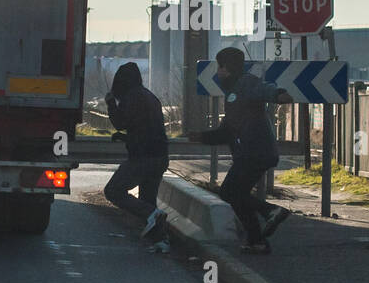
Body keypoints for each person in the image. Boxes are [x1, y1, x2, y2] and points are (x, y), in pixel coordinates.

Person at [186, 47, 292, 253]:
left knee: (230, 192)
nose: (218, 72)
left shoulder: (245, 84)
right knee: (236, 194)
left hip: (256, 152)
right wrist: (201, 136)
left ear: (228, 67)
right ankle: (257, 241)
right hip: (252, 152)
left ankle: (272, 211)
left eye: (220, 67)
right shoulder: (234, 92)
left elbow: (265, 90)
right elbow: (227, 131)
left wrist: (279, 94)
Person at [103, 62, 170, 250]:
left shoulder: (131, 97)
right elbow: (145, 127)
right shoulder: (150, 96)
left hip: (142, 157)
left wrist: (110, 104)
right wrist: (125, 137)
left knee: (113, 190)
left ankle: (152, 215)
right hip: (160, 156)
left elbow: (120, 122)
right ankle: (161, 241)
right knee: (148, 198)